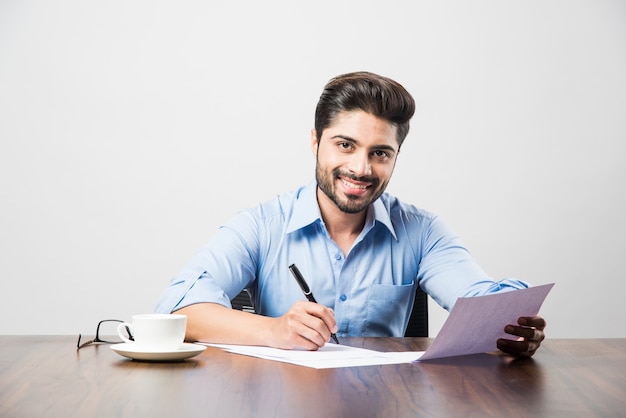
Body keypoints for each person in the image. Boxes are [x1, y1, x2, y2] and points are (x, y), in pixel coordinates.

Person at [155, 71, 546, 357]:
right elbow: (178, 307)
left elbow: (478, 299)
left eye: (380, 153)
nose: (361, 168)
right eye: (345, 145)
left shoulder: (423, 231)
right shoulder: (261, 224)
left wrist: (513, 322)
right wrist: (275, 330)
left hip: (387, 402)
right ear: (315, 141)